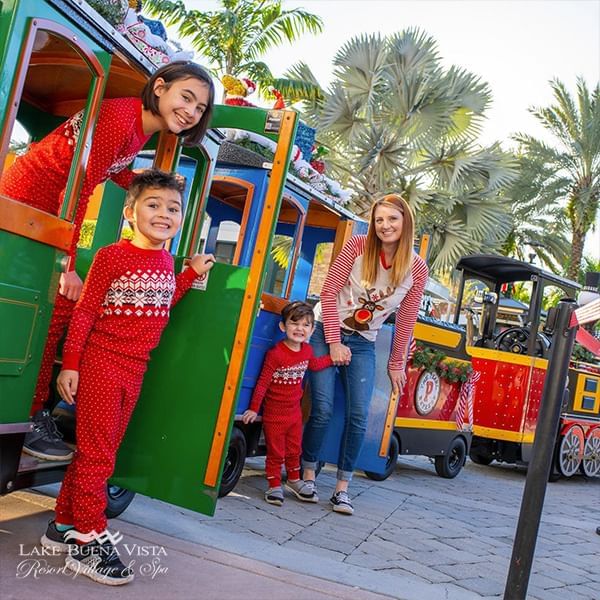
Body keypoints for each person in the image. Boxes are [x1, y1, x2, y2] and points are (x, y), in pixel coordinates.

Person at [0, 61, 215, 460]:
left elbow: (110, 171)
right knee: (63, 304)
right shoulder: (121, 118)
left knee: (59, 309)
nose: (191, 111)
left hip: (44, 211)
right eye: (186, 97)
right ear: (161, 87)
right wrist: (68, 265)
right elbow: (80, 189)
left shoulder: (136, 129)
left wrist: (145, 181)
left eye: (201, 108)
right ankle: (29, 416)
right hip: (29, 203)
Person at [39, 169, 215, 585]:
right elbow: (85, 312)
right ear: (131, 212)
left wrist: (190, 273)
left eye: (173, 208)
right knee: (99, 454)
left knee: (100, 451)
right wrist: (72, 363)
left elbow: (163, 301)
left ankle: (63, 525)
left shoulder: (164, 262)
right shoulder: (111, 257)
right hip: (101, 363)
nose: (164, 214)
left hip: (136, 368)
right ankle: (88, 539)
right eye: (153, 205)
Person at [302, 193, 428, 516]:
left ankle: (342, 488)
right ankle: (306, 474)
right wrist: (333, 341)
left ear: (405, 222)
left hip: (362, 342)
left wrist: (396, 363)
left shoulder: (415, 268)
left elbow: (407, 319)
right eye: (379, 220)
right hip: (324, 330)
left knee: (360, 414)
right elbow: (328, 293)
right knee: (323, 407)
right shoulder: (358, 246)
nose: (385, 226)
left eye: (392, 219)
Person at [242, 301, 333, 506]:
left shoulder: (307, 351)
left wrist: (334, 358)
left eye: (306, 325)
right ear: (283, 327)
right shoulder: (275, 354)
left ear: (312, 329)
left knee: (295, 450)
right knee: (276, 451)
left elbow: (316, 365)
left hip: (294, 413)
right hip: (274, 414)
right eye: (295, 323)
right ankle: (274, 484)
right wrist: (253, 409)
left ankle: (293, 480)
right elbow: (263, 383)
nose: (300, 329)